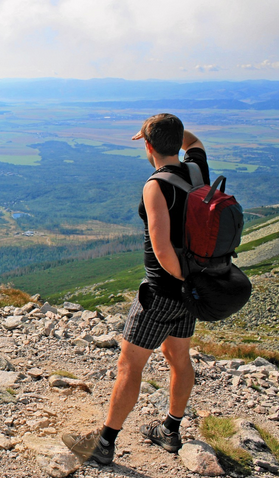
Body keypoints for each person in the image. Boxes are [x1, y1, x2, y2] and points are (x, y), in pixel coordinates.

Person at [62, 113, 210, 465]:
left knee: (130, 366)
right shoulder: (197, 169)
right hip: (193, 294)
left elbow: (160, 251)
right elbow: (193, 142)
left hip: (160, 294)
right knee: (179, 359)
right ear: (175, 141)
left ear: (147, 146)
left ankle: (104, 443)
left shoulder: (155, 185)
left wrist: (180, 282)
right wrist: (191, 287)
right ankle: (170, 431)